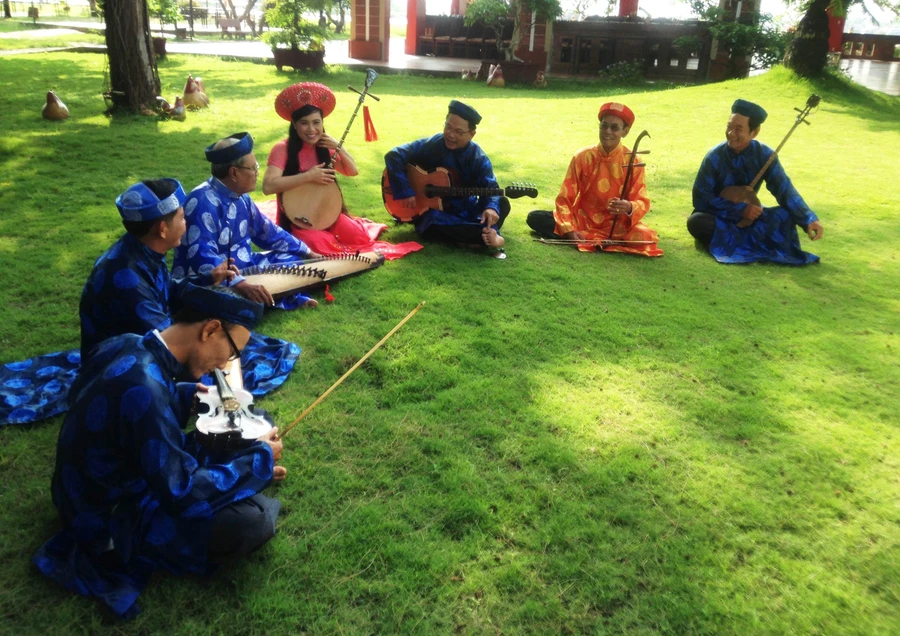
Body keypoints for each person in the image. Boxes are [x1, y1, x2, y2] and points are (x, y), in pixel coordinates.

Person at [32, 285, 285, 619]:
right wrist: (258, 462)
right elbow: (181, 491)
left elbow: (126, 403)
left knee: (252, 425)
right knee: (253, 523)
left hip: (90, 485)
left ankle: (246, 467)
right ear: (210, 329)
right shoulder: (145, 391)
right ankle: (247, 475)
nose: (224, 364)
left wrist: (185, 397)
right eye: (231, 351)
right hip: (107, 515)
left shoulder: (128, 342)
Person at [262, 82, 422, 260]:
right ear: (294, 124)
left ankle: (334, 230)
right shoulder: (282, 148)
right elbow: (268, 186)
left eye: (316, 122)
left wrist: (339, 147)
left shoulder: (323, 146)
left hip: (327, 212)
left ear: (323, 122)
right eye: (304, 123)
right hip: (300, 219)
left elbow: (352, 171)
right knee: (318, 243)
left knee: (357, 236)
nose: (311, 129)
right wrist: (309, 176)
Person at [172, 132, 321, 309]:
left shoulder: (242, 197)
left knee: (291, 258)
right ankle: (280, 298)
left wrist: (307, 251)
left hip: (245, 266)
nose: (257, 173)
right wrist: (240, 284)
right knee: (220, 295)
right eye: (253, 168)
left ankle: (274, 296)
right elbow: (201, 256)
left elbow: (266, 230)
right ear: (234, 173)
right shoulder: (202, 201)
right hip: (209, 276)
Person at [687, 99, 824, 265]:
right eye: (729, 126)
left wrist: (809, 219)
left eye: (739, 129)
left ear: (754, 132)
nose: (731, 133)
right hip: (719, 215)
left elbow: (784, 190)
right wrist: (739, 210)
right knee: (696, 222)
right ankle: (746, 242)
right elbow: (701, 199)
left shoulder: (765, 155)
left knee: (783, 215)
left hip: (749, 219)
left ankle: (735, 241)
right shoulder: (714, 156)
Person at [526, 102, 663, 257]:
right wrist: (569, 229)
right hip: (582, 219)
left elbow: (641, 200)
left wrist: (628, 206)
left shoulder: (634, 161)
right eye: (604, 126)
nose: (607, 132)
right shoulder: (582, 156)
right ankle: (585, 238)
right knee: (535, 217)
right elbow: (565, 198)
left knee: (646, 236)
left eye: (614, 127)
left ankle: (593, 239)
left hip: (616, 226)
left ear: (625, 131)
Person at [384, 100, 509, 256]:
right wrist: (406, 190)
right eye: (448, 127)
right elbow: (394, 155)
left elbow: (490, 187)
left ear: (472, 134)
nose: (450, 134)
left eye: (458, 131)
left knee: (501, 203)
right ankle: (486, 235)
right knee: (431, 222)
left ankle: (481, 234)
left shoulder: (477, 158)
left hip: (465, 208)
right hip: (436, 213)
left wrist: (490, 207)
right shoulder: (433, 144)